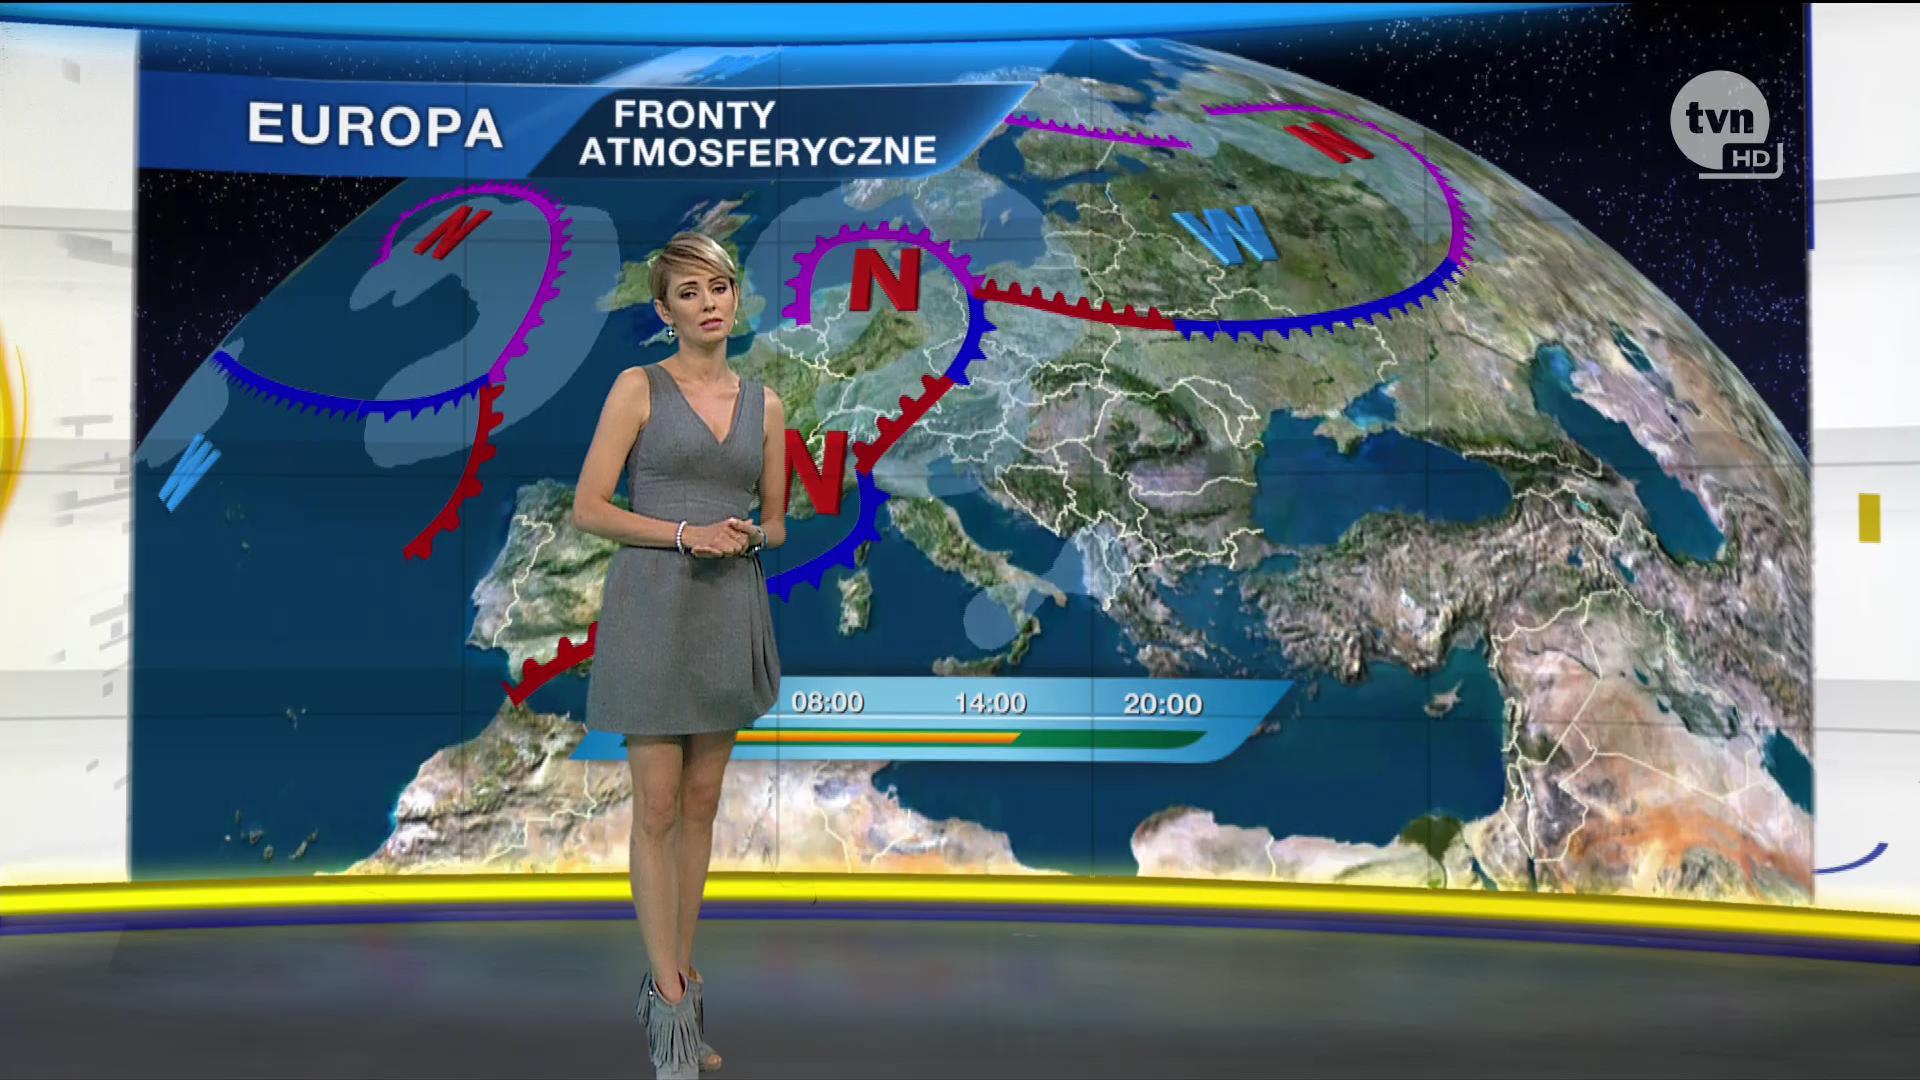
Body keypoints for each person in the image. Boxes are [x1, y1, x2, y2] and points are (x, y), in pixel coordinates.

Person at [571, 231, 786, 1079]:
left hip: (727, 604)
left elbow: (776, 523)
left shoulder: (766, 405)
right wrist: (687, 533)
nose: (708, 302)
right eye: (689, 292)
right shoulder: (638, 388)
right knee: (656, 806)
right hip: (653, 604)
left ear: (735, 297)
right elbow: (590, 508)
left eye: (719, 287)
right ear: (666, 310)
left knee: (700, 804)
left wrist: (746, 535)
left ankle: (684, 995)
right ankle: (668, 1013)